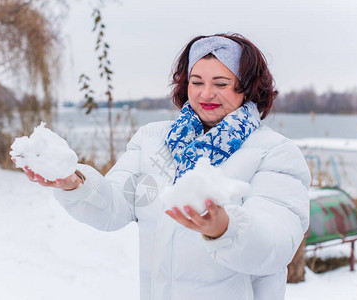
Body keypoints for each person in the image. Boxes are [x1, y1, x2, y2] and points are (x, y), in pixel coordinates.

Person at [21, 33, 311, 300]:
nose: (206, 94)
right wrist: (75, 183)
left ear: (248, 88)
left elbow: (276, 246)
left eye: (221, 84)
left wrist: (225, 228)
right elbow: (116, 205)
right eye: (196, 82)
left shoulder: (275, 153)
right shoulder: (153, 140)